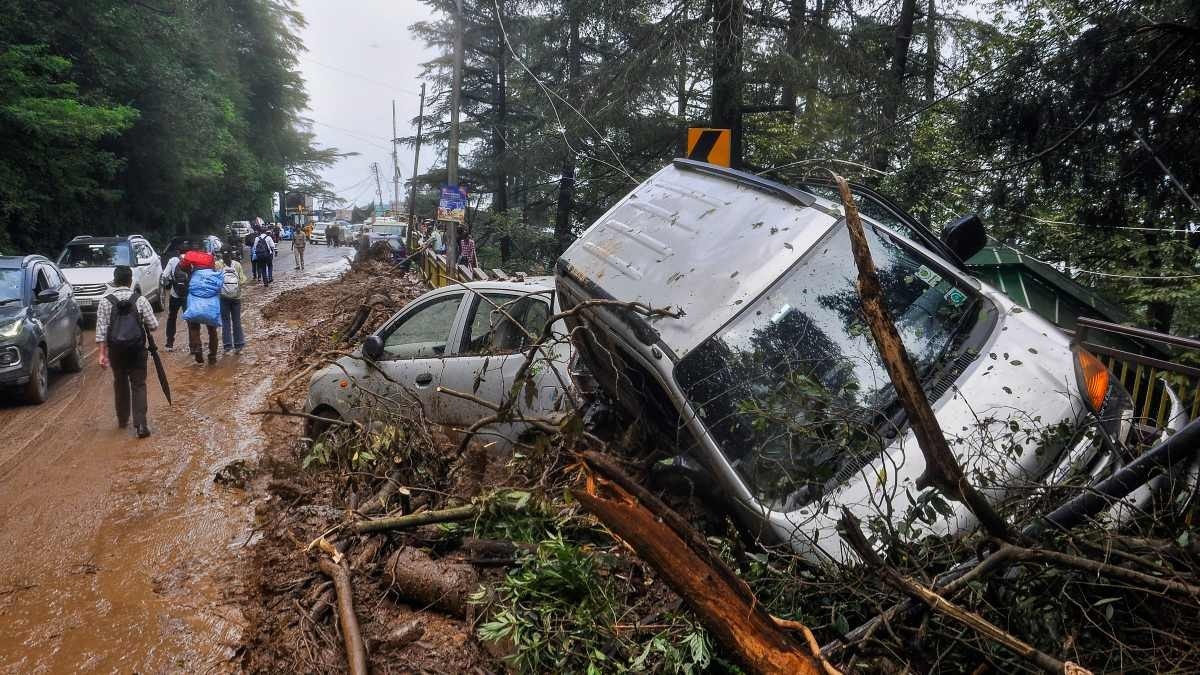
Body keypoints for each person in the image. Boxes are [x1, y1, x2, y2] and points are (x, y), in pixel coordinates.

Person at [97, 265, 159, 438]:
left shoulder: (105, 301)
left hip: (116, 351)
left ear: (115, 281)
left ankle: (123, 419)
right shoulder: (140, 300)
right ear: (130, 280)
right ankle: (141, 425)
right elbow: (154, 325)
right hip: (137, 350)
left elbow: (101, 331)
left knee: (120, 382)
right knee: (139, 384)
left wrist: (102, 354)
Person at [159, 243, 191, 351]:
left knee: (172, 318)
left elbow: (164, 276)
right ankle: (193, 345)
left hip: (174, 294)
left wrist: (168, 284)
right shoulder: (191, 260)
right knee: (190, 319)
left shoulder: (173, 260)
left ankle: (169, 344)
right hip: (188, 295)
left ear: (178, 252)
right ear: (188, 252)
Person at [216, 252, 247, 353]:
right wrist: (237, 286)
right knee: (237, 321)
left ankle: (227, 346)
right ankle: (238, 346)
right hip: (236, 298)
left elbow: (215, 280)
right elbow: (242, 280)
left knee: (225, 322)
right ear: (231, 255)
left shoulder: (218, 264)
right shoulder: (237, 265)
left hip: (223, 297)